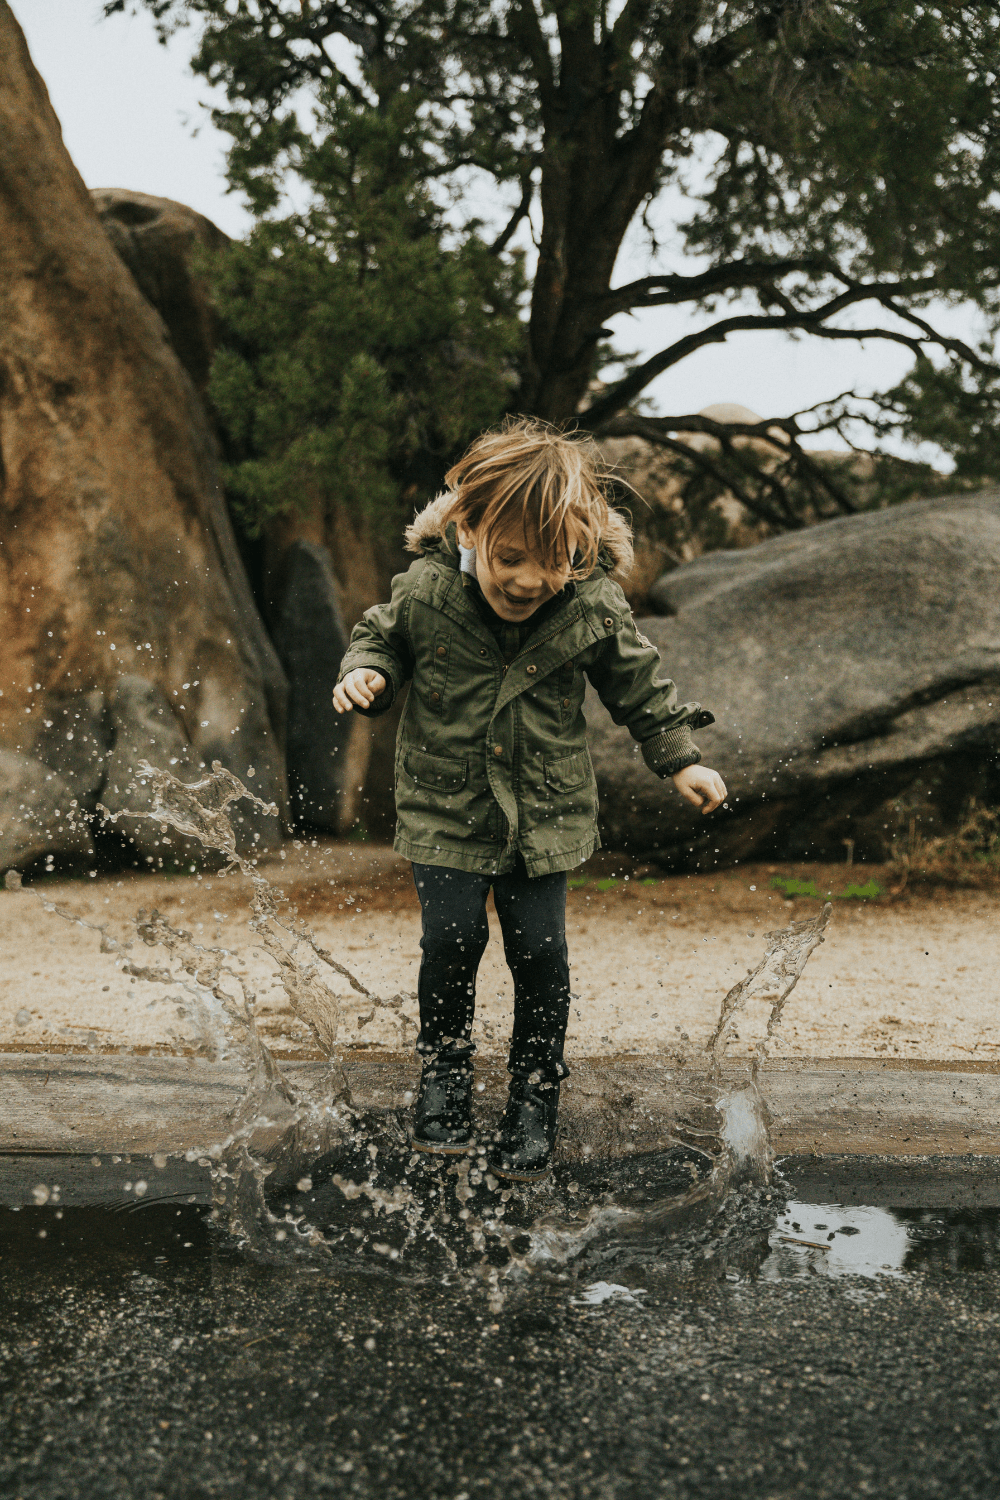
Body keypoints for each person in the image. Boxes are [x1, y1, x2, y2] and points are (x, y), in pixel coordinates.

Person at [332, 418, 726, 1181]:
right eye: (511, 559)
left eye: (554, 562)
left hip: (544, 813)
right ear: (471, 525)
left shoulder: (591, 604)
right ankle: (444, 1073)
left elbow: (638, 687)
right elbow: (378, 636)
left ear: (578, 548)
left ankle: (535, 1092)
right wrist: (367, 675)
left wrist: (680, 757)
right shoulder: (427, 592)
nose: (529, 581)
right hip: (446, 806)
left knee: (540, 954)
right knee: (451, 942)